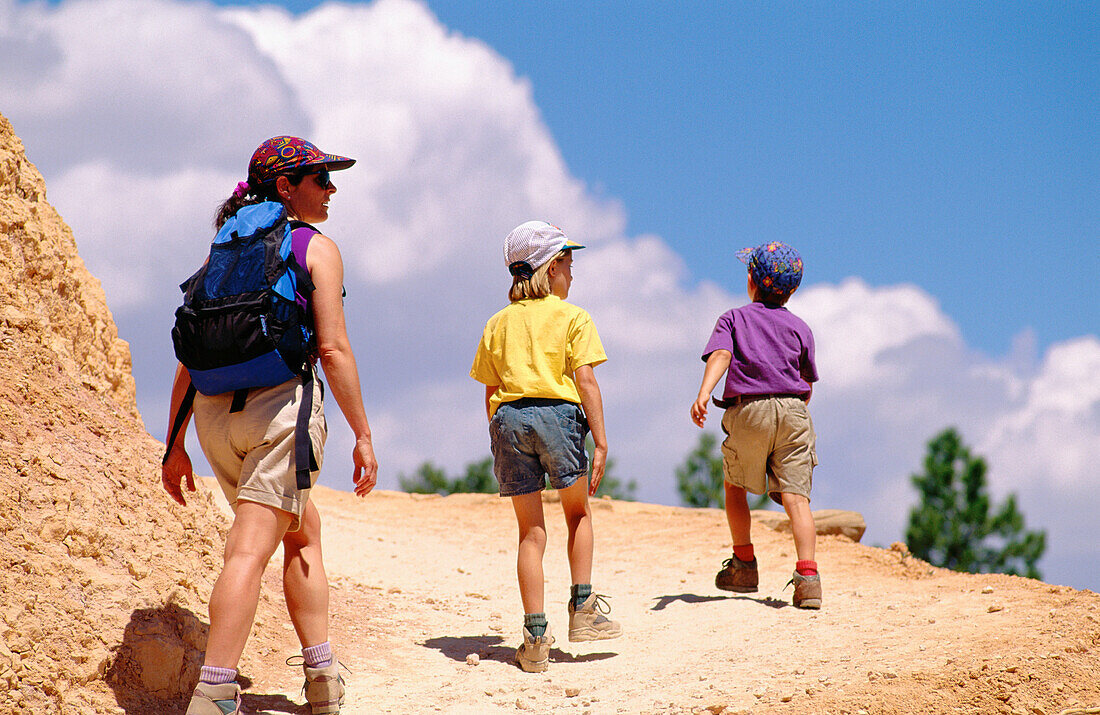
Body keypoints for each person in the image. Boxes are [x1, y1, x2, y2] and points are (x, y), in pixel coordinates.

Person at [162, 136, 379, 715]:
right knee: (248, 552)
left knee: (301, 533)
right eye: (320, 179)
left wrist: (174, 444)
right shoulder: (314, 247)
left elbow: (190, 349)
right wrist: (361, 433)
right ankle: (214, 691)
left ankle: (322, 676)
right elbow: (332, 350)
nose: (331, 190)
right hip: (281, 411)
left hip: (213, 418)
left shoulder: (223, 249)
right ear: (285, 187)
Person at [469, 220, 623, 673]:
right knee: (577, 515)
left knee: (531, 533)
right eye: (569, 264)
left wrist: (501, 433)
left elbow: (489, 389)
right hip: (560, 418)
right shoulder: (573, 317)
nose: (572, 274)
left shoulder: (497, 322)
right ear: (552, 267)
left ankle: (535, 638)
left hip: (510, 420)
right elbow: (587, 381)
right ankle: (583, 611)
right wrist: (600, 439)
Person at [690, 242, 822, 609]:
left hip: (749, 410)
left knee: (735, 485)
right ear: (792, 290)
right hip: (794, 410)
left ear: (751, 280)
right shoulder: (800, 328)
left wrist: (704, 392)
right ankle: (808, 579)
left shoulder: (733, 319)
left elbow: (721, 354)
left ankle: (744, 565)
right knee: (797, 499)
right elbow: (807, 383)